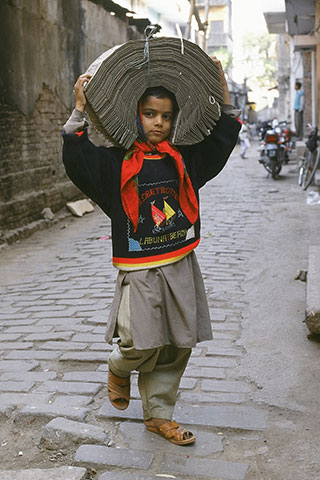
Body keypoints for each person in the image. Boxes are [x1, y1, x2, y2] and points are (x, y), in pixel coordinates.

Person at [62, 57, 240, 446]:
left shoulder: (187, 161)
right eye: (149, 114)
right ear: (136, 116)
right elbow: (78, 160)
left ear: (175, 120)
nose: (158, 122)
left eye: (166, 116)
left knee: (178, 341)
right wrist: (79, 109)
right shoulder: (116, 164)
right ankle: (118, 366)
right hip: (139, 265)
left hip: (179, 261)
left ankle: (160, 414)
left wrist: (222, 86)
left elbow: (224, 137)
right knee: (138, 339)